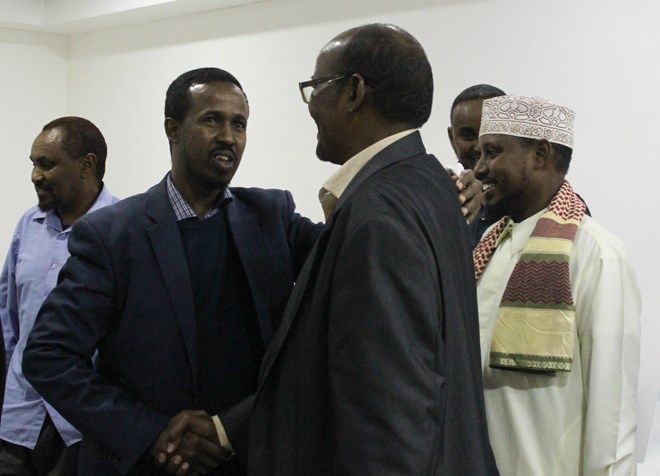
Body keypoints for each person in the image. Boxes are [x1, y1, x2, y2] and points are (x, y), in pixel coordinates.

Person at [22, 68, 321, 475]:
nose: (228, 137)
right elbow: (48, 356)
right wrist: (149, 434)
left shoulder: (272, 217)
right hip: (146, 466)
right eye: (212, 120)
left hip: (247, 459)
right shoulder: (112, 236)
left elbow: (348, 250)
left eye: (239, 124)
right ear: (173, 129)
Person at [247, 24, 499, 475]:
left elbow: (390, 422)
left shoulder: (376, 214)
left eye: (316, 88)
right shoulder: (431, 185)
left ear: (354, 92)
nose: (312, 106)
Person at [472, 95, 640, 475]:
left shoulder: (597, 255)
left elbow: (612, 421)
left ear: (540, 154)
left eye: (492, 153)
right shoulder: (487, 247)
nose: (479, 169)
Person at [0, 117, 119, 475]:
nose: (35, 175)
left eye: (46, 164)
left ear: (87, 165)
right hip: (18, 422)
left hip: (83, 427)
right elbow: (9, 321)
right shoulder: (28, 225)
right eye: (34, 164)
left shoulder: (123, 229)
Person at [447, 84, 506, 246]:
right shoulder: (440, 196)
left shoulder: (538, 203)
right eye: (468, 135)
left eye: (490, 133)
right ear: (452, 138)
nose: (479, 146)